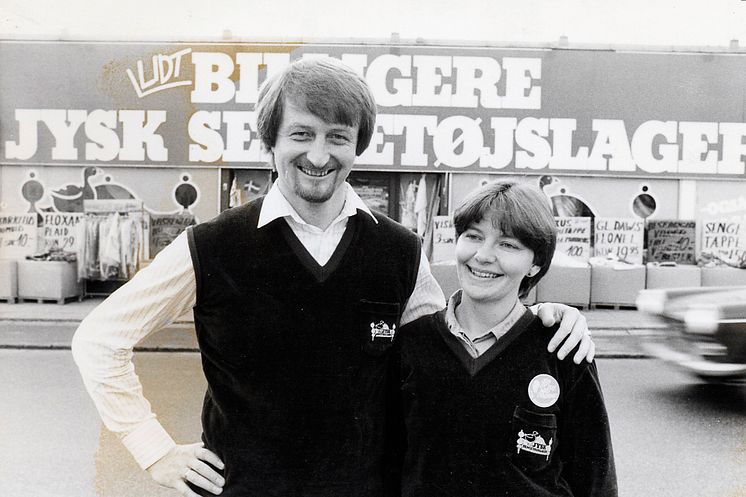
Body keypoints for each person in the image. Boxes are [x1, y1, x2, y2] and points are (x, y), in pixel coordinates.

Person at [71, 57, 595, 497]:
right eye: (302, 134)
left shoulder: (398, 251)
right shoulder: (211, 247)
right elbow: (98, 339)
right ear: (270, 140)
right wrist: (153, 448)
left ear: (357, 147)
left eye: (337, 138)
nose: (319, 155)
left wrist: (543, 319)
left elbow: (450, 348)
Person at [395, 181, 617, 497]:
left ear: (536, 263)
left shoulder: (562, 348)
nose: (483, 256)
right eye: (473, 236)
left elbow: (596, 479)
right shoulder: (412, 342)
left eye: (508, 245)